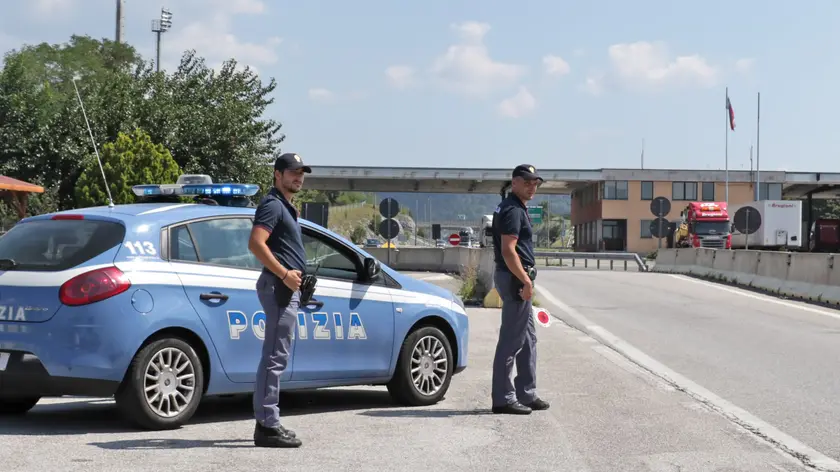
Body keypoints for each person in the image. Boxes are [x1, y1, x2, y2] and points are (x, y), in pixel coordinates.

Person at [247, 152, 311, 447]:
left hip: (286, 289)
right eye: (293, 172)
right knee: (274, 357)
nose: (298, 177)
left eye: (301, 173)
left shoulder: (286, 206)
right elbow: (256, 244)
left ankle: (269, 421)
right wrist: (286, 274)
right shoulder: (272, 205)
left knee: (276, 357)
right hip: (278, 288)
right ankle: (267, 426)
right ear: (278, 174)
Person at [490, 164, 550, 415]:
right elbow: (508, 250)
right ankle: (503, 398)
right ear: (514, 182)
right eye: (527, 182)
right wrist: (525, 281)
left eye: (535, 182)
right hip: (515, 279)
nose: (532, 186)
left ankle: (526, 393)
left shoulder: (513, 206)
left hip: (516, 277)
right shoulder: (513, 210)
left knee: (527, 338)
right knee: (511, 340)